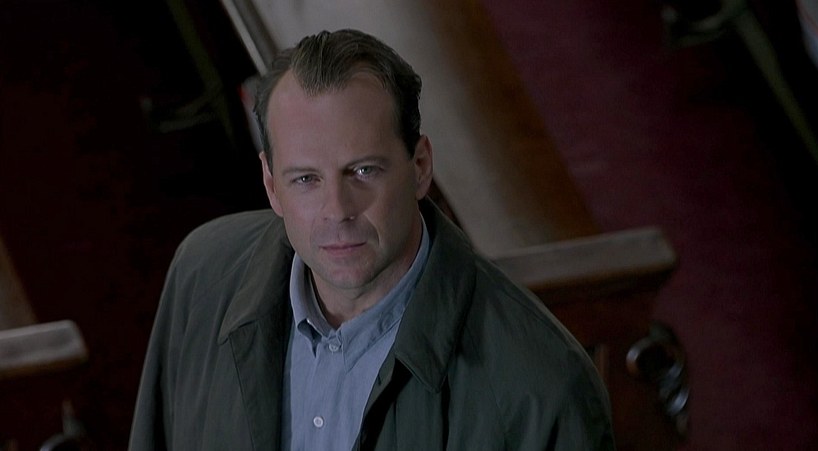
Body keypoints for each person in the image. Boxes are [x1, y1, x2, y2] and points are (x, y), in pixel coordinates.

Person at [128, 28, 615, 450]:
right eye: (305, 179)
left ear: (420, 167)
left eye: (363, 171)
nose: (337, 210)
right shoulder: (201, 275)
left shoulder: (543, 386)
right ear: (271, 185)